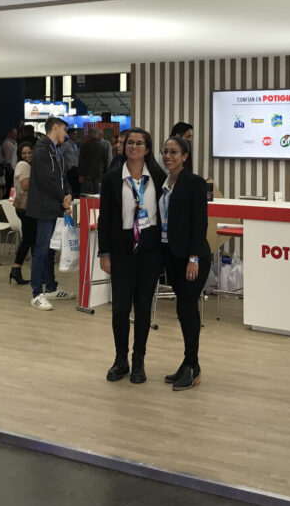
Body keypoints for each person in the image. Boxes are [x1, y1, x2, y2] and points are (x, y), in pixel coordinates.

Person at [97, 127, 166, 384]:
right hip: (122, 248)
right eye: (129, 143)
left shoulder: (159, 177)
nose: (133, 147)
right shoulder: (112, 178)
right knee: (120, 309)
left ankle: (139, 361)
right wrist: (104, 253)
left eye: (139, 143)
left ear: (147, 149)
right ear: (123, 147)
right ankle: (120, 360)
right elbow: (105, 219)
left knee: (144, 308)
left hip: (150, 248)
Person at [158, 135, 212, 390]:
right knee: (182, 310)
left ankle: (192, 366)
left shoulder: (194, 183)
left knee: (188, 309)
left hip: (193, 257)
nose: (168, 156)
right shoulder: (164, 183)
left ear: (185, 156)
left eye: (174, 152)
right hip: (172, 255)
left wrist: (194, 258)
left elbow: (200, 223)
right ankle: (189, 363)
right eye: (165, 151)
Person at [27, 116, 75, 310]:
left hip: (55, 206)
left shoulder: (56, 151)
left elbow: (63, 178)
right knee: (41, 250)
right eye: (64, 129)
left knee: (50, 249)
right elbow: (47, 181)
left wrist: (69, 194)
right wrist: (63, 198)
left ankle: (51, 287)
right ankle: (36, 293)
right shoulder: (41, 151)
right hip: (45, 207)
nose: (66, 134)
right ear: (55, 128)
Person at [10, 141, 34, 286]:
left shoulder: (24, 165)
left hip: (24, 207)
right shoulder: (24, 165)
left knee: (29, 238)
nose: (27, 155)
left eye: (29, 152)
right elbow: (25, 186)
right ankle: (17, 268)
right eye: (24, 153)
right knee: (29, 239)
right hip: (26, 207)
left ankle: (17, 269)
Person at [78, 129, 108, 195]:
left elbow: (81, 161)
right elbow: (105, 161)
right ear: (97, 136)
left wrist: (80, 174)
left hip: (86, 172)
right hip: (98, 172)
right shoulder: (102, 147)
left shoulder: (84, 146)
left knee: (84, 193)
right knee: (98, 193)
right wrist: (105, 172)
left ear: (89, 136)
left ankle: (84, 201)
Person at [61, 128, 81, 196]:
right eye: (74, 134)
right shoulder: (65, 144)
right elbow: (59, 155)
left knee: (77, 187)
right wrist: (65, 163)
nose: (76, 136)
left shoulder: (75, 144)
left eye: (77, 134)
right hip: (70, 169)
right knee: (71, 187)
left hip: (76, 168)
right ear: (69, 135)